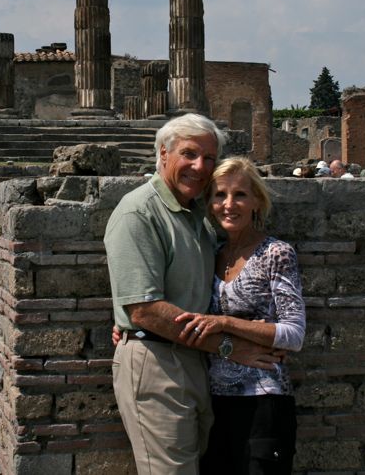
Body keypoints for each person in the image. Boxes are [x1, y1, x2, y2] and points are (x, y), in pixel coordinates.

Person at [105, 114, 281, 475]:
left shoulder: (198, 213)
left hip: (191, 359)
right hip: (157, 360)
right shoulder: (138, 213)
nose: (200, 166)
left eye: (209, 157)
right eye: (189, 154)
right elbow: (146, 311)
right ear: (163, 155)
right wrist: (230, 346)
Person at [175, 157, 306, 475]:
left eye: (240, 195)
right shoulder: (210, 252)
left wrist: (224, 323)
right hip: (212, 401)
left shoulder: (276, 253)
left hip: (262, 400)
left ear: (257, 201)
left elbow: (293, 333)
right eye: (220, 195)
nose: (228, 204)